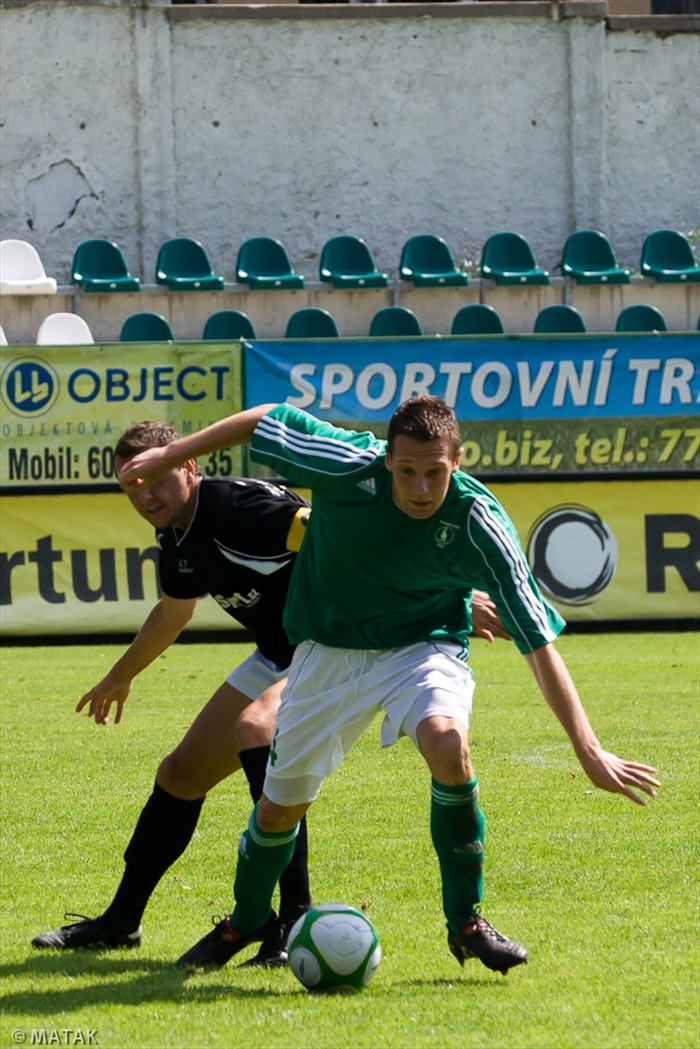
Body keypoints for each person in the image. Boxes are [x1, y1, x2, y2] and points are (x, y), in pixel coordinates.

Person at [117, 398, 659, 976]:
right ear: (386, 459)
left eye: (435, 472)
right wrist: (170, 454)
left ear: (458, 460)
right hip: (327, 651)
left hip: (423, 644)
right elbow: (267, 417)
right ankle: (245, 920)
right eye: (406, 471)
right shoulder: (349, 463)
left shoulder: (481, 522)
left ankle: (467, 921)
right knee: (277, 812)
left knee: (447, 742)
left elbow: (538, 644)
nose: (420, 488)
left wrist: (589, 748)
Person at [31, 417, 506, 966]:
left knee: (256, 728)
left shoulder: (239, 507)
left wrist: (445, 594)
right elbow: (174, 611)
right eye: (132, 484)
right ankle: (121, 922)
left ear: (189, 465)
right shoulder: (176, 533)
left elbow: (347, 533)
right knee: (180, 775)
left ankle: (290, 919)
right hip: (279, 653)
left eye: (156, 477)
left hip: (336, 646)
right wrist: (121, 674)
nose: (146, 494)